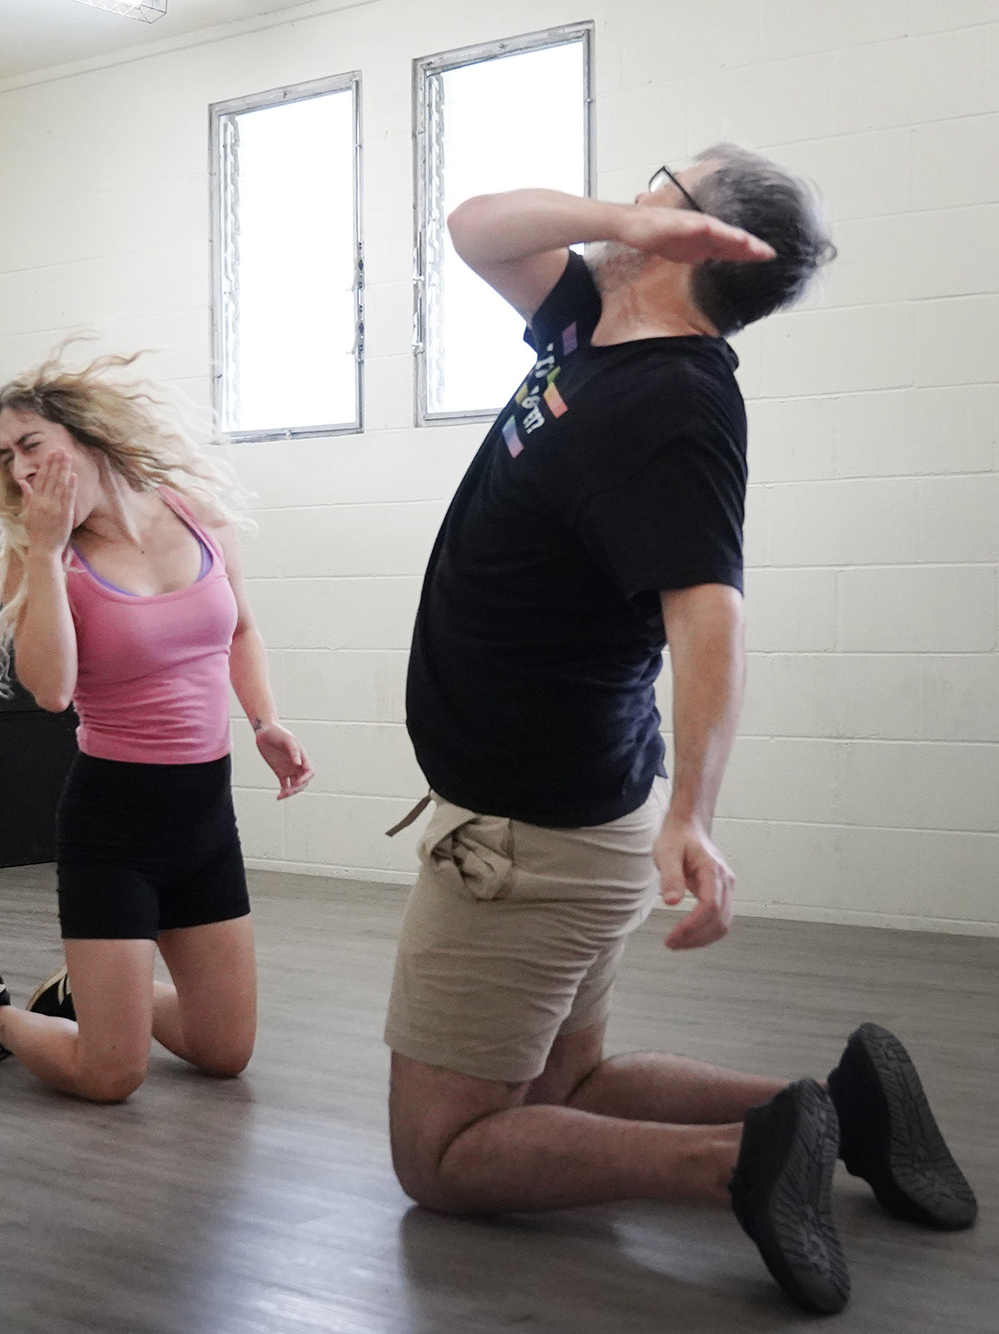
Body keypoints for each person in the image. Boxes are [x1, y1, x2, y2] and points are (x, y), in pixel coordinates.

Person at [383, 145, 975, 1315]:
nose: (634, 192)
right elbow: (472, 223)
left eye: (663, 181)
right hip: (566, 809)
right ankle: (846, 1109)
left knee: (441, 1153)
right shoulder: (592, 325)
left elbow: (711, 617)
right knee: (575, 1078)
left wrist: (698, 815)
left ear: (693, 237)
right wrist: (628, 220)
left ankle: (738, 1166)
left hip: (533, 834)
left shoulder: (675, 405)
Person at [0, 350, 312, 1103]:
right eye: (7, 455)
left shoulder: (190, 509)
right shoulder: (38, 556)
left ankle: (90, 997)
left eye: (32, 444)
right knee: (110, 1076)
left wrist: (265, 720)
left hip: (205, 820)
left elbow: (240, 631)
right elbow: (52, 690)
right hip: (115, 828)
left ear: (84, 437)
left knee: (224, 1053)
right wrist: (45, 553)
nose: (19, 468)